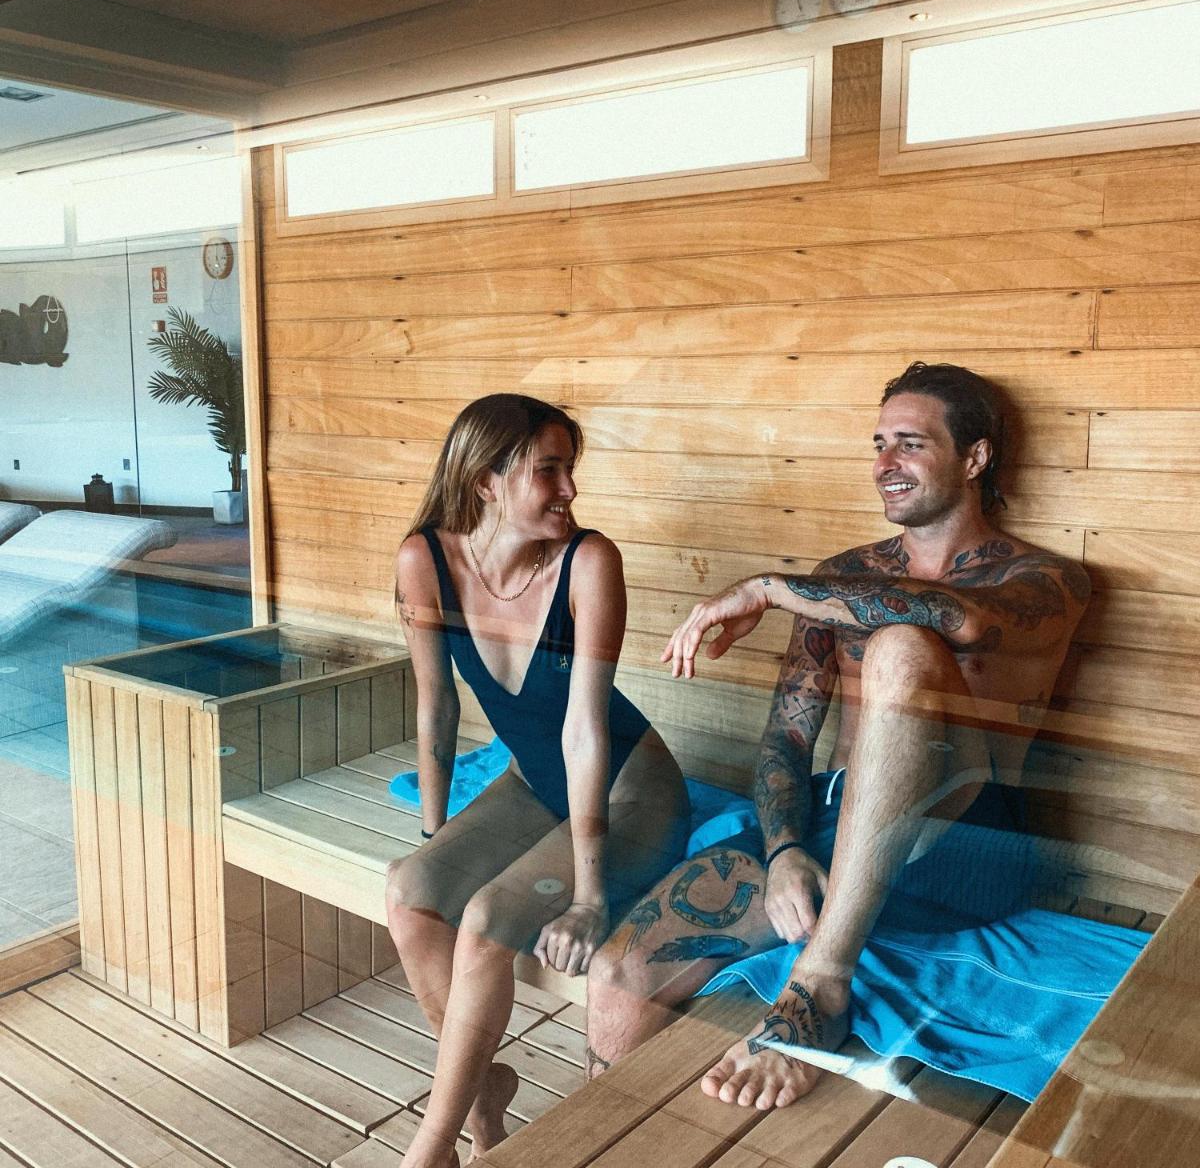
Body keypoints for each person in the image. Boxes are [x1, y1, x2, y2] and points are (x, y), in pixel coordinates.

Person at [585, 361, 1092, 1110]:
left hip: (968, 841)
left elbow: (961, 620)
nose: (886, 463)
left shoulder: (1045, 581)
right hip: (833, 818)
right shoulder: (841, 580)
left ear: (975, 457)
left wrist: (766, 588)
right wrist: (784, 849)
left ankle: (819, 985)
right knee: (619, 971)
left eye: (911, 443)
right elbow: (786, 742)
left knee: (901, 647)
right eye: (879, 444)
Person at [386, 393, 689, 1167]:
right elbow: (435, 706)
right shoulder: (425, 561)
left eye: (570, 469)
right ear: (485, 481)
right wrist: (436, 837)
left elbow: (585, 731)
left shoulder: (589, 563)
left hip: (632, 792)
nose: (570, 489)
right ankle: (485, 1104)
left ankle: (434, 1147)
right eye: (548, 471)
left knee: (487, 918)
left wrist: (589, 898)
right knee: (411, 893)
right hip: (531, 783)